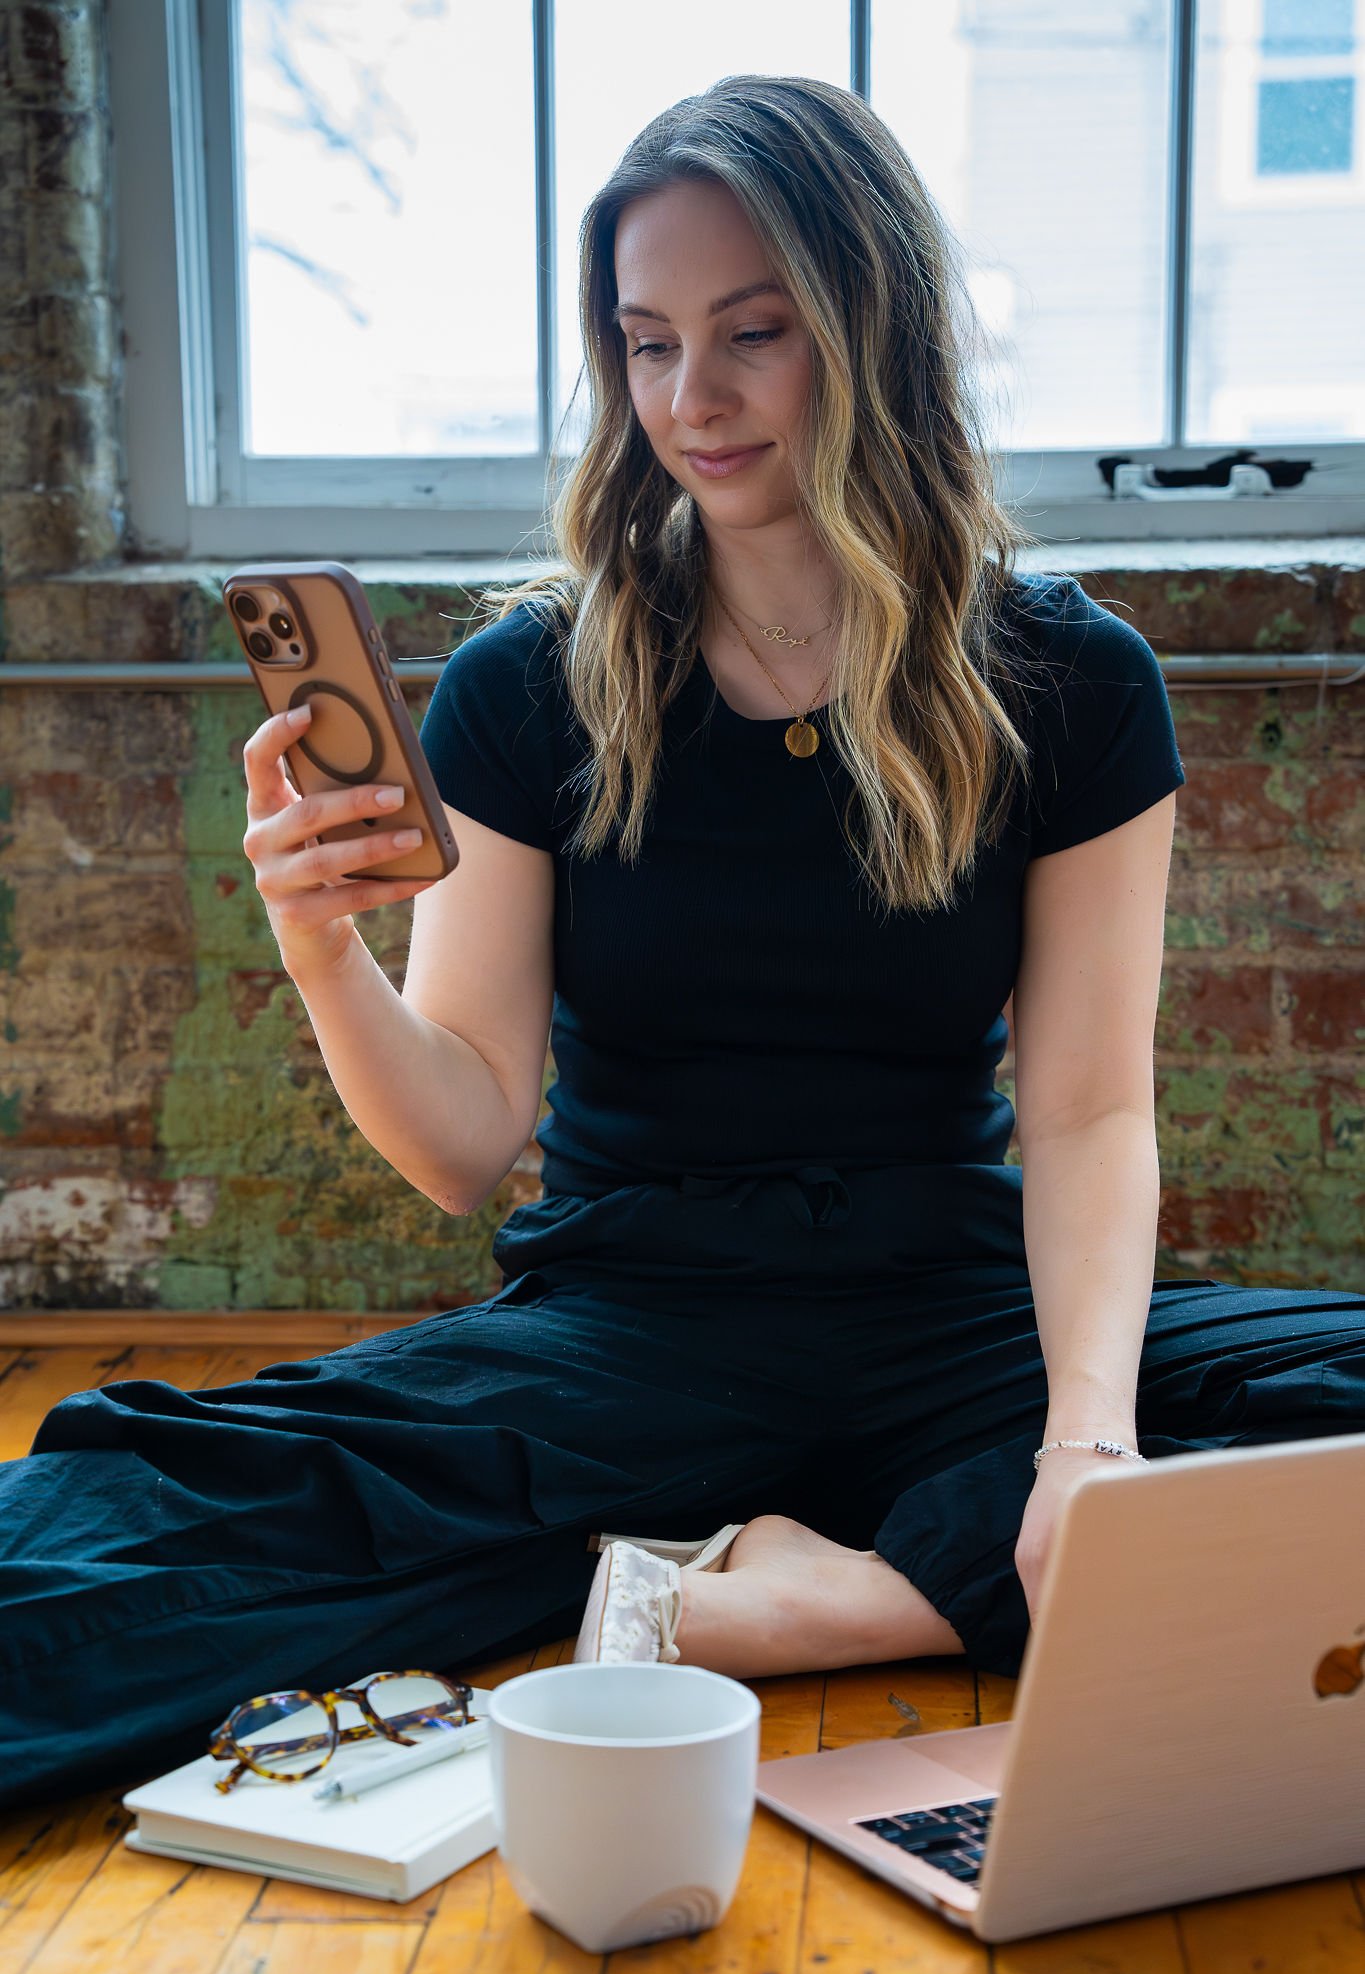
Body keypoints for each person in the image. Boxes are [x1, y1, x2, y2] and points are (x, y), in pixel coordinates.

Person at [3, 75, 1362, 1812]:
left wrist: (1082, 1443)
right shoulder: (527, 686)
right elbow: (462, 1140)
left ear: (872, 331)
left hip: (951, 1318)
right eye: (647, 345)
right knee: (109, 1518)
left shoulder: (1075, 682)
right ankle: (921, 1558)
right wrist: (325, 951)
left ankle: (845, 1594)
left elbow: (1091, 1111)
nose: (688, 400)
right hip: (629, 1331)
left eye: (751, 334)